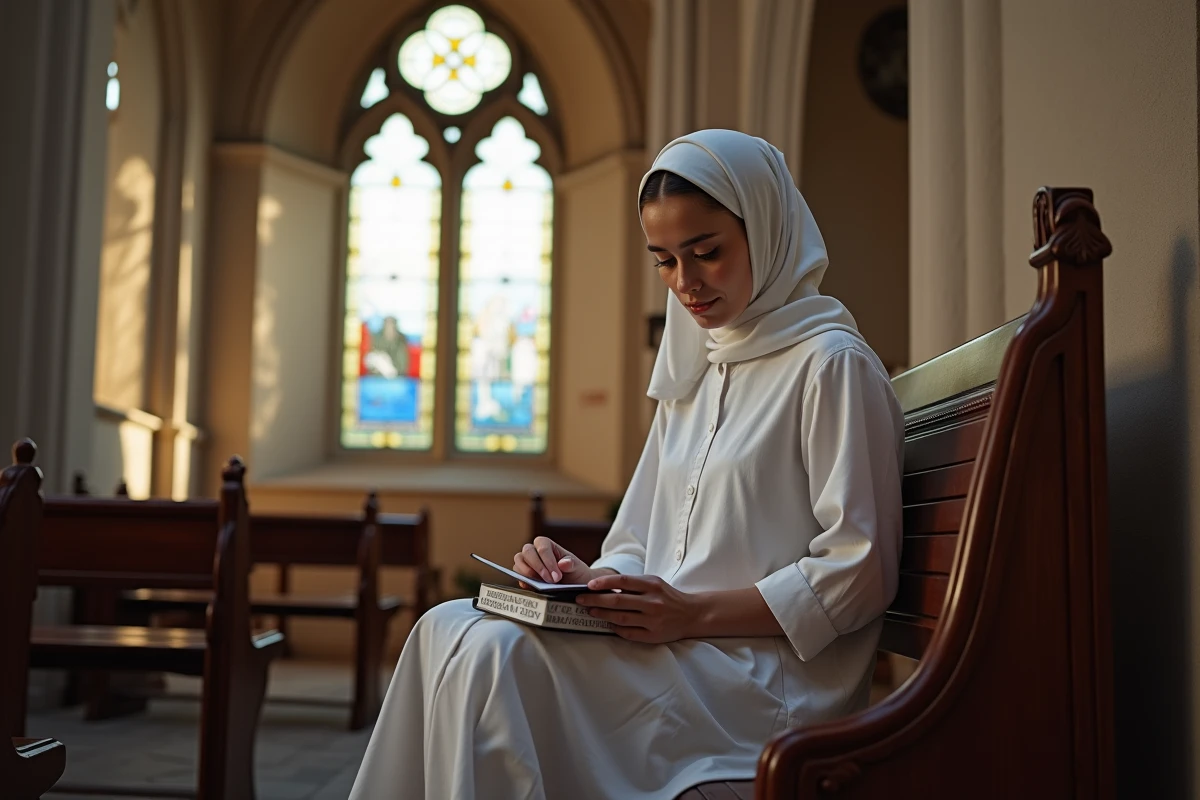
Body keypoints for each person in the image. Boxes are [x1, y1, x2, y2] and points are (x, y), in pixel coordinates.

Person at [348, 129, 904, 800]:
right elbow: (639, 539)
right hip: (674, 649)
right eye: (665, 261)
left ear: (767, 228)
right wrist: (590, 583)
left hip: (762, 677)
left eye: (707, 253)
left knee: (499, 658)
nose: (686, 284)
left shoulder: (830, 364)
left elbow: (861, 568)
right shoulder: (701, 370)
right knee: (442, 627)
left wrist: (693, 614)